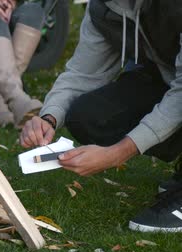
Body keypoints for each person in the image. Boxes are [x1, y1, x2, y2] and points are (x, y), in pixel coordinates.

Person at [19, 0, 182, 232]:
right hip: (167, 75)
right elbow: (81, 73)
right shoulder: (104, 6)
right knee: (89, 115)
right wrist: (49, 118)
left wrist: (117, 154)